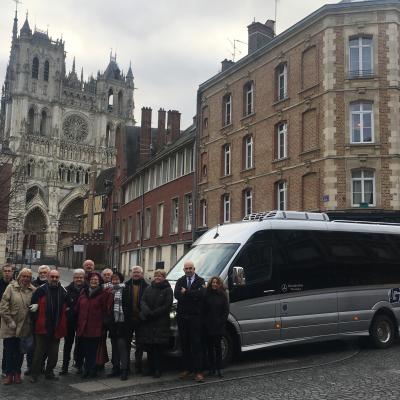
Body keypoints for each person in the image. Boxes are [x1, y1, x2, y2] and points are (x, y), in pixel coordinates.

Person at [30, 269, 68, 382]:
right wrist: (36, 322)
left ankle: (49, 372)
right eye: (52, 277)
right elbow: (32, 307)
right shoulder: (40, 290)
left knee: (54, 354)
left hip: (56, 327)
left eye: (56, 277)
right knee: (38, 353)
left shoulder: (62, 290)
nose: (54, 279)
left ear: (59, 278)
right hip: (42, 327)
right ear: (48, 277)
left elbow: (68, 303)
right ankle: (34, 374)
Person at [0, 268, 36, 385]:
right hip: (10, 326)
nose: (25, 279)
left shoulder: (33, 290)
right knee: (9, 351)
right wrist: (9, 320)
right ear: (19, 276)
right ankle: (9, 374)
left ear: (30, 279)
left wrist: (38, 306)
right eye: (23, 276)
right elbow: (3, 306)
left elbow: (38, 304)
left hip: (24, 326)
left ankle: (17, 373)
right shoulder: (11, 288)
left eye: (28, 277)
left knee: (20, 352)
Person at [75, 271, 112, 378]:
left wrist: (104, 325)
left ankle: (91, 370)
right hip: (83, 327)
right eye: (92, 280)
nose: (94, 281)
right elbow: (78, 308)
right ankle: (86, 369)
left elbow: (106, 311)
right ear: (89, 281)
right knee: (84, 350)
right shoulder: (84, 292)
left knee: (93, 351)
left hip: (95, 328)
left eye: (96, 280)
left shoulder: (103, 294)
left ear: (99, 281)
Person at [174, 260, 206, 383]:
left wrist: (186, 292)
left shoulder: (201, 281)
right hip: (182, 317)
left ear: (194, 268)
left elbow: (202, 294)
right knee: (184, 344)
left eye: (190, 268)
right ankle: (187, 368)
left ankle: (199, 372)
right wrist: (193, 295)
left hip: (195, 318)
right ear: (184, 270)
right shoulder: (180, 281)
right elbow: (177, 295)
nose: (188, 270)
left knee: (196, 344)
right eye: (186, 268)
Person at [138, 269, 173, 378]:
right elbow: (142, 301)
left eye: (160, 276)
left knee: (158, 348)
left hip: (160, 321)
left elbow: (167, 305)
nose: (158, 277)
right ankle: (150, 368)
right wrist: (147, 311)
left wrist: (154, 313)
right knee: (149, 347)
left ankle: (158, 369)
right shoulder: (149, 288)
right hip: (148, 322)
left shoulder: (168, 290)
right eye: (156, 275)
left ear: (164, 277)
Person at [121, 265, 148, 375]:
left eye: (138, 272)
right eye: (134, 272)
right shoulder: (125, 286)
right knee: (126, 344)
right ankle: (126, 368)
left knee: (140, 344)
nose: (136, 274)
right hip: (128, 319)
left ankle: (138, 366)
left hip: (141, 320)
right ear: (131, 273)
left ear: (142, 274)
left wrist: (143, 315)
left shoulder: (147, 286)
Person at [60, 269, 86, 375]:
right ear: (73, 278)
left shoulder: (87, 289)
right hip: (70, 322)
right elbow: (63, 305)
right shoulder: (66, 290)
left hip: (82, 322)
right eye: (76, 277)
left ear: (84, 278)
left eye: (80, 277)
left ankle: (79, 365)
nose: (78, 279)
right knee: (68, 344)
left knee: (80, 344)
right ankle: (65, 366)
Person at [203, 276, 229, 378]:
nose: (214, 284)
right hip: (208, 326)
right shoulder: (207, 295)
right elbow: (203, 310)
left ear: (219, 284)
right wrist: (205, 322)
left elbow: (225, 311)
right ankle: (211, 368)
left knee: (218, 348)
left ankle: (219, 368)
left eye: (216, 283)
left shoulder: (222, 295)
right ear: (211, 283)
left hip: (218, 326)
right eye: (213, 282)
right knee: (209, 349)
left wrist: (221, 321)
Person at [107, 272, 127, 379]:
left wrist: (122, 323)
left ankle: (124, 369)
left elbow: (127, 307)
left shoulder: (125, 290)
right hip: (112, 324)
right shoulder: (109, 291)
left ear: (121, 280)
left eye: (117, 279)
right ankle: (115, 368)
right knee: (114, 347)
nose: (115, 281)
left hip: (122, 323)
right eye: (113, 279)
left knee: (122, 347)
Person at [0, 264, 14, 378]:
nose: (7, 273)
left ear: (12, 272)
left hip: (9, 318)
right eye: (5, 271)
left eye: (9, 271)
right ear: (2, 272)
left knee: (7, 344)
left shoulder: (15, 285)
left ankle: (5, 368)